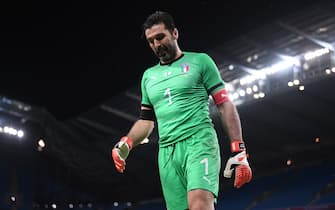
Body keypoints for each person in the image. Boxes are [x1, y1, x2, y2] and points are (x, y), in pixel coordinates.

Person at [112, 11, 252, 210]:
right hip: (167, 153)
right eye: (151, 41)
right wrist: (126, 142)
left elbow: (224, 103)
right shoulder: (148, 77)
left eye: (161, 37)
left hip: (199, 141)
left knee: (199, 205)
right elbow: (146, 121)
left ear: (175, 33)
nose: (157, 45)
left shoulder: (201, 61)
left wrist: (239, 150)